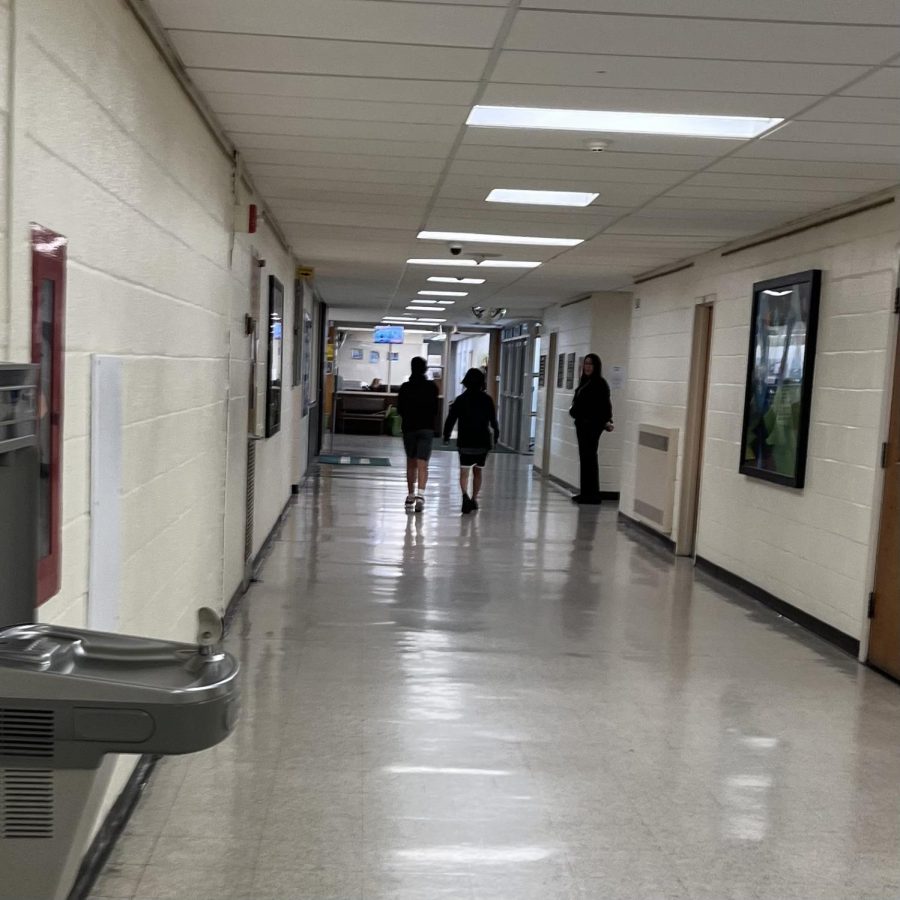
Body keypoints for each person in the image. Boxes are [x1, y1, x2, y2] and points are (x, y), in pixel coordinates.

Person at [443, 368, 500, 514]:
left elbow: (451, 419)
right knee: (478, 471)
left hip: (465, 441)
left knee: (464, 471)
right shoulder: (487, 400)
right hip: (482, 441)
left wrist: (446, 435)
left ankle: (464, 496)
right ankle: (474, 499)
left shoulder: (460, 400)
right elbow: (493, 420)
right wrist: (496, 435)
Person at [569, 353, 613, 505]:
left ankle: (592, 495)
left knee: (590, 458)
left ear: (596, 366)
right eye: (586, 364)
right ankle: (586, 493)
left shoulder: (599, 384)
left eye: (590, 364)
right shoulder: (584, 382)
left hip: (592, 426)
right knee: (585, 458)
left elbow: (605, 405)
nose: (587, 367)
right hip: (582, 424)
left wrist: (608, 420)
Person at [397, 357, 439, 513]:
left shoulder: (405, 387)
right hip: (426, 428)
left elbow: (400, 409)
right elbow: (435, 409)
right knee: (423, 463)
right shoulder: (432, 387)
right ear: (425, 369)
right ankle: (421, 495)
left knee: (411, 462)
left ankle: (410, 495)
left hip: (409, 428)